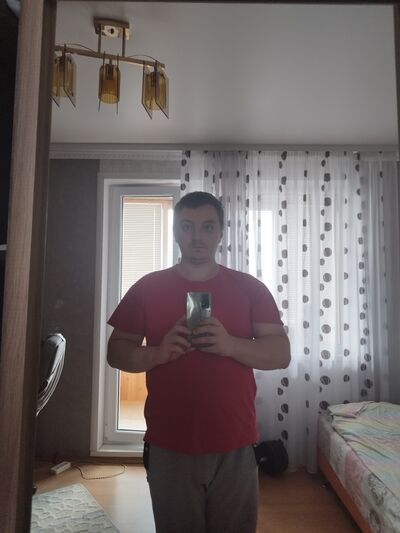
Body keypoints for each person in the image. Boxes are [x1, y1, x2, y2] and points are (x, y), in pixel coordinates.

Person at [107, 191, 291, 533]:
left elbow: (281, 354)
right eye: (187, 226)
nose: (197, 237)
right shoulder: (147, 288)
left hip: (235, 441)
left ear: (221, 232)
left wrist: (229, 345)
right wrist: (159, 353)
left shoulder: (250, 288)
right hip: (169, 442)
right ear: (175, 230)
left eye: (207, 227)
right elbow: (115, 352)